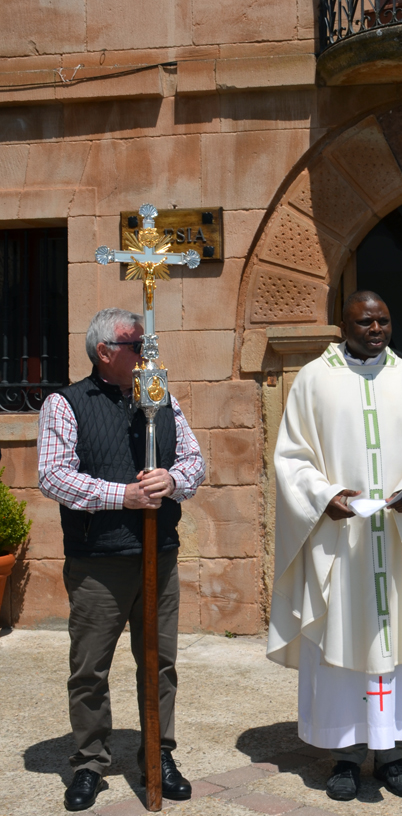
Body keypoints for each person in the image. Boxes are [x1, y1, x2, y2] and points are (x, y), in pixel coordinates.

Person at [267, 291, 402, 802]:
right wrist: (324, 496)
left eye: (383, 321)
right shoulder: (314, 380)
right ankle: (345, 756)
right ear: (343, 325)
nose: (376, 329)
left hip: (397, 543)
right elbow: (292, 457)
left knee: (401, 643)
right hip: (341, 547)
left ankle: (392, 755)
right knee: (340, 642)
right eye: (365, 321)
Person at [37, 308, 205, 812]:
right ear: (104, 351)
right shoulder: (66, 404)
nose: (146, 355)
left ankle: (158, 754)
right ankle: (90, 762)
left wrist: (172, 480)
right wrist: (123, 495)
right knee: (91, 667)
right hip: (99, 562)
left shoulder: (162, 398)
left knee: (160, 663)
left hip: (159, 554)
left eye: (148, 345)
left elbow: (195, 462)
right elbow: (53, 475)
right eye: (136, 346)